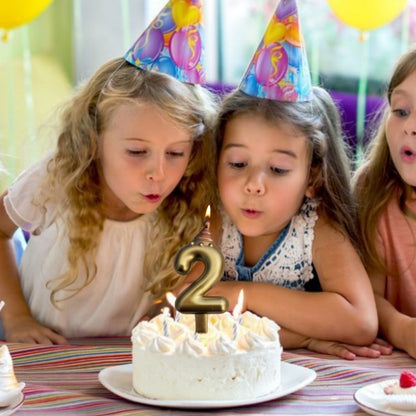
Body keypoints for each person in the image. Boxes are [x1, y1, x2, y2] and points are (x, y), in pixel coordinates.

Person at [0, 0, 217, 344]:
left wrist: (165, 308)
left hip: (130, 364)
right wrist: (15, 317)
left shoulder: (188, 198)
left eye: (175, 153)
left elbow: (201, 267)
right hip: (45, 353)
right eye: (136, 151)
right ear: (94, 138)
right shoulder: (57, 178)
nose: (157, 173)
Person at [193, 0, 378, 360]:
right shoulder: (216, 223)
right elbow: (183, 311)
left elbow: (360, 323)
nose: (253, 184)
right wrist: (300, 338)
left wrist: (234, 294)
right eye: (237, 162)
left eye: (277, 170)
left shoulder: (316, 230)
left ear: (312, 177)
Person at [353, 47, 416, 359]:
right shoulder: (372, 191)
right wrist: (404, 330)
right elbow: (367, 296)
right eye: (402, 111)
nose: (411, 126)